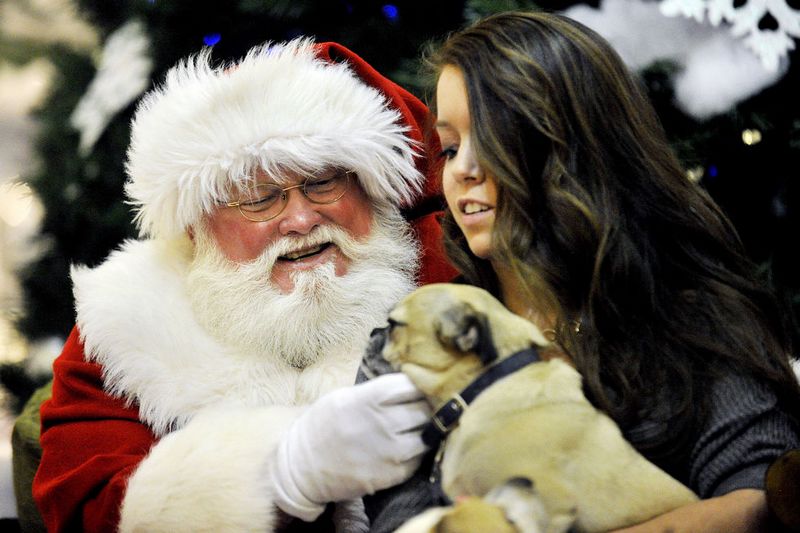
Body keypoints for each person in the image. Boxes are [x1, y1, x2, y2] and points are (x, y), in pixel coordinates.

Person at [31, 38, 456, 532]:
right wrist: (280, 474)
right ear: (196, 226)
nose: (300, 219)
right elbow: (86, 504)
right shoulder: (129, 323)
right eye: (259, 198)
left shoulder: (452, 273)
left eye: (323, 183)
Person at [429, 10, 800, 532]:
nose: (462, 169)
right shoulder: (428, 329)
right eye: (448, 146)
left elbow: (763, 498)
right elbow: (393, 509)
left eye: (492, 138)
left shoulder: (692, 323)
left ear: (571, 149)